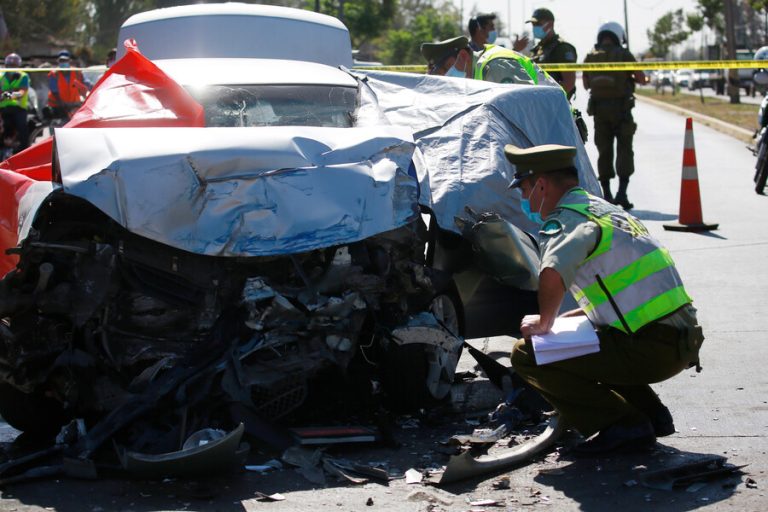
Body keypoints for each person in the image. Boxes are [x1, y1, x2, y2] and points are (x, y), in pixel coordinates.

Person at [504, 143, 703, 455]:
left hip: (652, 348)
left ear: (541, 185)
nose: (523, 198)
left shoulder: (566, 219)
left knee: (528, 354)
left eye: (525, 188)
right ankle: (651, 414)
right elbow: (615, 302)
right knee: (586, 337)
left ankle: (621, 424)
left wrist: (543, 323)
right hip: (679, 339)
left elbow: (552, 272)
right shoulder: (604, 210)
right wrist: (556, 322)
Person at [582, 22, 645, 210]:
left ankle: (607, 194)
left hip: (600, 112)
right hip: (622, 111)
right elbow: (641, 78)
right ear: (619, 36)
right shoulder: (625, 55)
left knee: (604, 151)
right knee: (625, 150)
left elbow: (586, 84)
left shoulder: (590, 57)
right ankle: (622, 194)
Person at [420, 36, 555, 87]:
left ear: (463, 56)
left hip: (559, 129)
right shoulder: (475, 76)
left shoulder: (495, 65)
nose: (447, 78)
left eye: (446, 69)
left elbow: (526, 107)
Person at [526, 8, 577, 100]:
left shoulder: (562, 48)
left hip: (554, 106)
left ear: (550, 24)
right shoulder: (537, 50)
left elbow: (569, 82)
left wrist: (549, 101)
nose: (534, 27)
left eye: (538, 24)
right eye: (533, 24)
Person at [46, 50, 91, 119]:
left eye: (65, 61)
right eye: (61, 61)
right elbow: (54, 91)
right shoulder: (54, 74)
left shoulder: (77, 72)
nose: (63, 63)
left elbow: (85, 84)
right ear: (58, 62)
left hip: (74, 105)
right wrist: (63, 105)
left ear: (69, 61)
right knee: (59, 126)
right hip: (57, 106)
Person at [0, 53, 31, 152]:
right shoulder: (1, 76)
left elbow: (22, 92)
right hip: (3, 109)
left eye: (14, 66)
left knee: (22, 129)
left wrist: (9, 95)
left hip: (19, 108)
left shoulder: (23, 76)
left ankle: (24, 151)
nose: (11, 67)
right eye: (10, 65)